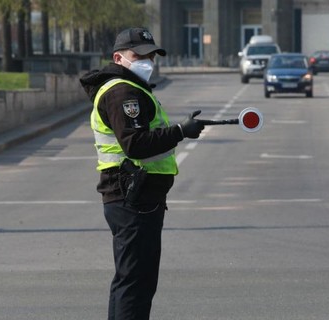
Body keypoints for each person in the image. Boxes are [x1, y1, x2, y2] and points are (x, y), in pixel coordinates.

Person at [79, 27, 204, 320]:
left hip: (135, 196)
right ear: (118, 58)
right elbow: (135, 145)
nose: (147, 61)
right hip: (131, 197)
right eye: (139, 55)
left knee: (130, 280)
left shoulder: (130, 88)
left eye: (151, 55)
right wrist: (179, 132)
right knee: (136, 283)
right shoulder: (123, 91)